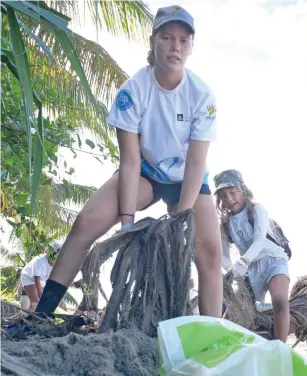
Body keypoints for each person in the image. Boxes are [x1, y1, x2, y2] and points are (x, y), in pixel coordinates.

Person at [34, 5, 223, 318]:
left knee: (210, 253)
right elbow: (131, 161)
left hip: (186, 178)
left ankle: (212, 335)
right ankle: (40, 315)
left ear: (191, 47)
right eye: (167, 37)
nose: (176, 45)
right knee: (87, 221)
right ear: (153, 42)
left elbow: (195, 163)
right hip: (145, 172)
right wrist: (126, 222)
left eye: (184, 40)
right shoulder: (132, 92)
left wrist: (182, 220)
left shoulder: (203, 95)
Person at [214, 169, 290, 342]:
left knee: (279, 301)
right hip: (250, 269)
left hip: (274, 261)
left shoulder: (256, 209)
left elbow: (259, 240)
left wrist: (243, 261)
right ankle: (218, 342)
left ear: (242, 189)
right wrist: (231, 269)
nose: (229, 199)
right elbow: (223, 255)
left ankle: (280, 347)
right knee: (233, 310)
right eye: (224, 196)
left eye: (232, 192)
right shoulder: (225, 224)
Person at [20, 241, 62, 310]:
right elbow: (36, 280)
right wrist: (40, 297)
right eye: (57, 251)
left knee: (42, 304)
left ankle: (29, 313)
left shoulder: (57, 265)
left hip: (41, 281)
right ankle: (28, 314)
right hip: (28, 277)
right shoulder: (39, 260)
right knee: (36, 303)